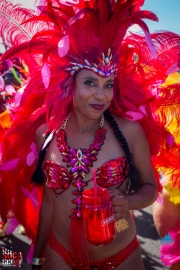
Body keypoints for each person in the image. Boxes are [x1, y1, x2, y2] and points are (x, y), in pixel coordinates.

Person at [0, 0, 179, 269]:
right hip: (59, 255)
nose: (101, 94)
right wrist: (38, 257)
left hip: (120, 257)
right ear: (68, 84)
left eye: (108, 84)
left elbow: (150, 189)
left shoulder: (129, 131)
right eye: (90, 82)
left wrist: (128, 201)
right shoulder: (44, 134)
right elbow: (49, 204)